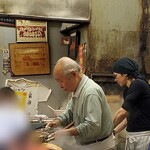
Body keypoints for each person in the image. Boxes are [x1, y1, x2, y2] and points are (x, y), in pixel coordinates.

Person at [46, 57, 115, 150]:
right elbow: (70, 112)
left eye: (61, 81)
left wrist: (66, 132)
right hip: (88, 145)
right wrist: (57, 122)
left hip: (100, 146)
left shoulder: (90, 92)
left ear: (74, 74)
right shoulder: (77, 90)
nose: (60, 86)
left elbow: (93, 126)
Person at [112, 57, 150, 150]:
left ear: (124, 74)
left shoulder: (138, 84)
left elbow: (122, 112)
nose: (115, 80)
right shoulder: (127, 90)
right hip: (132, 136)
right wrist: (113, 131)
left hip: (143, 136)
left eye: (115, 76)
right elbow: (127, 118)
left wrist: (106, 130)